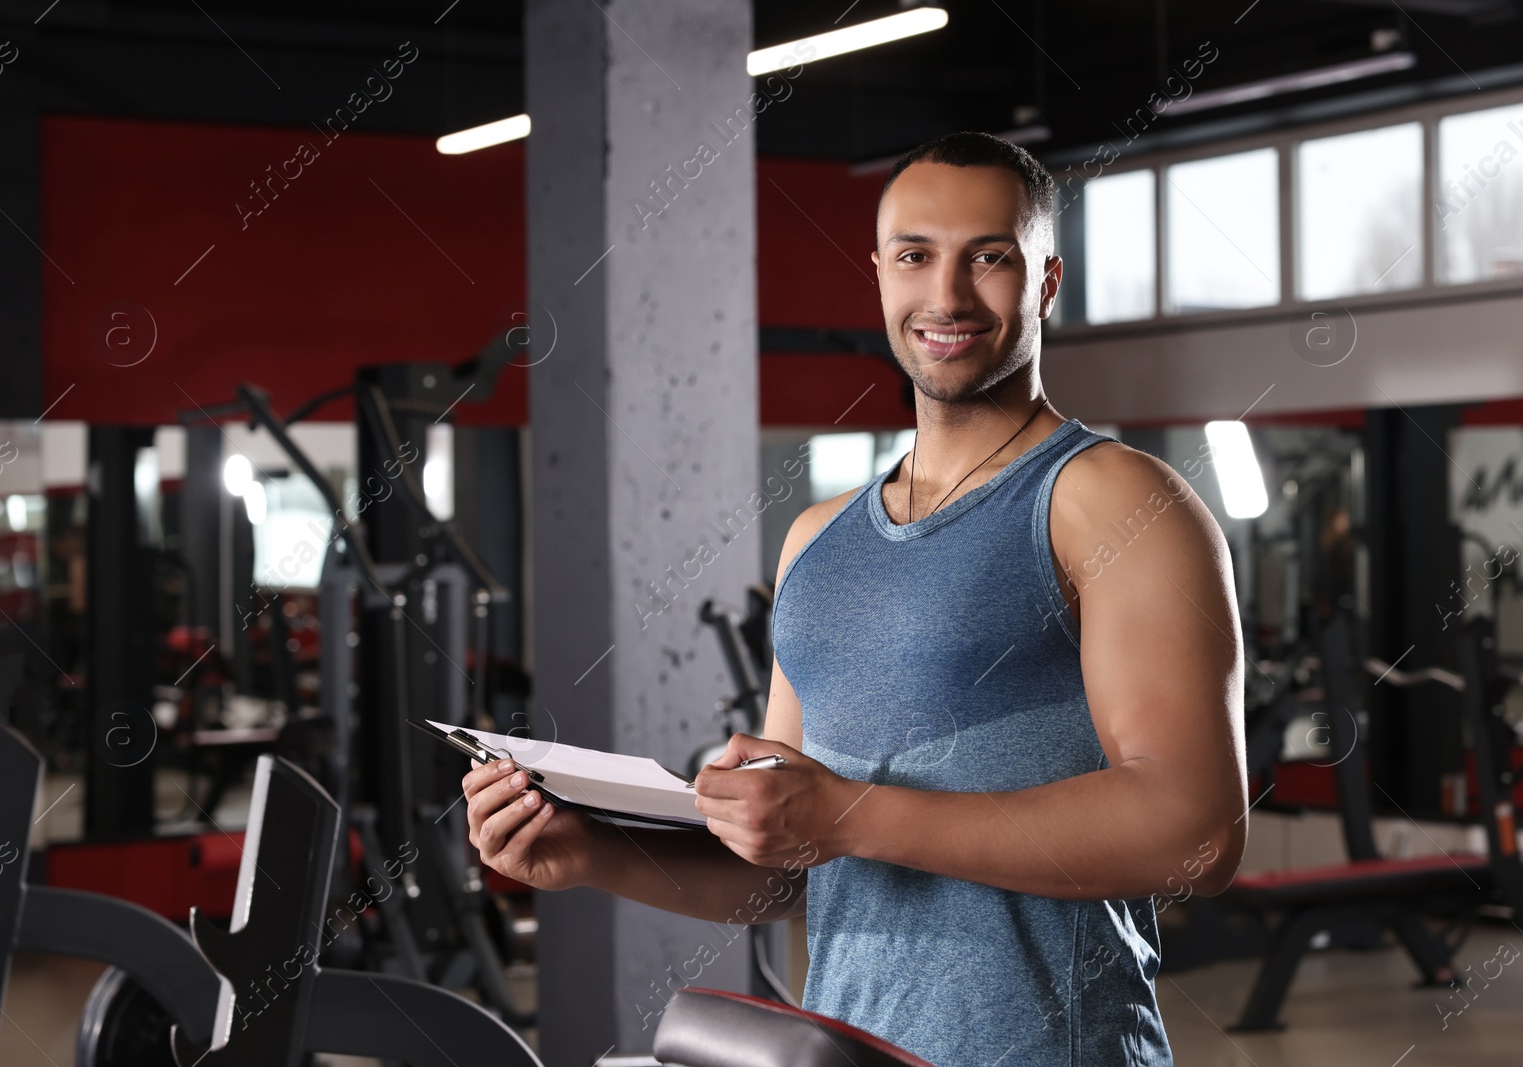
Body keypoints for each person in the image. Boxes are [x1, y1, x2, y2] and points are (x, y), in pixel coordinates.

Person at [463, 131, 1247, 1067]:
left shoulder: (1113, 500)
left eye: (989, 258)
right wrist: (590, 853)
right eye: (916, 256)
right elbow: (791, 865)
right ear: (879, 274)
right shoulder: (817, 539)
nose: (946, 296)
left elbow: (1197, 832)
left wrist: (847, 812)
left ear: (1045, 281)